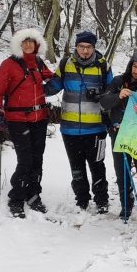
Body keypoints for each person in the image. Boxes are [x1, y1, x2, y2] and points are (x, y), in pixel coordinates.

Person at [45, 31, 113, 213]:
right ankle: (82, 200)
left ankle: (101, 200)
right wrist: (31, 86)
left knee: (97, 166)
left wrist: (102, 96)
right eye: (81, 47)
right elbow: (53, 87)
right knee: (76, 167)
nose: (85, 51)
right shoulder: (65, 64)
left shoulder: (103, 66)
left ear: (93, 48)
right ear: (76, 47)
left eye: (88, 47)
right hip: (70, 128)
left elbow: (112, 93)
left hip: (96, 128)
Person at [0, 28, 54, 218]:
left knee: (37, 159)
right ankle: (17, 197)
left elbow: (51, 77)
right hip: (18, 120)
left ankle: (34, 194)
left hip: (39, 118)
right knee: (25, 160)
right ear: (18, 44)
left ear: (37, 45)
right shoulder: (9, 65)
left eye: (31, 42)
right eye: (24, 42)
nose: (28, 45)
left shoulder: (39, 63)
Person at [100, 50, 137, 220]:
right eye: (134, 66)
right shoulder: (118, 81)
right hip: (117, 133)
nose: (136, 70)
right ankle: (126, 205)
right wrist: (117, 96)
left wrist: (127, 122)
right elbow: (104, 101)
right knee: (122, 171)